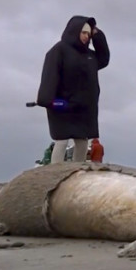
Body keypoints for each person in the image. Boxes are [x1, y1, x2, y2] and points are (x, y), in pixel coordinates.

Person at [36, 15, 110, 164]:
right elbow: (49, 77)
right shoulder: (58, 50)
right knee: (62, 141)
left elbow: (104, 58)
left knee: (82, 142)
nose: (86, 37)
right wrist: (51, 102)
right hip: (62, 105)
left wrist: (98, 34)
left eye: (88, 34)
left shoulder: (89, 56)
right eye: (83, 32)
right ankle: (55, 173)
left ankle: (77, 173)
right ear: (74, 31)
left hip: (83, 108)